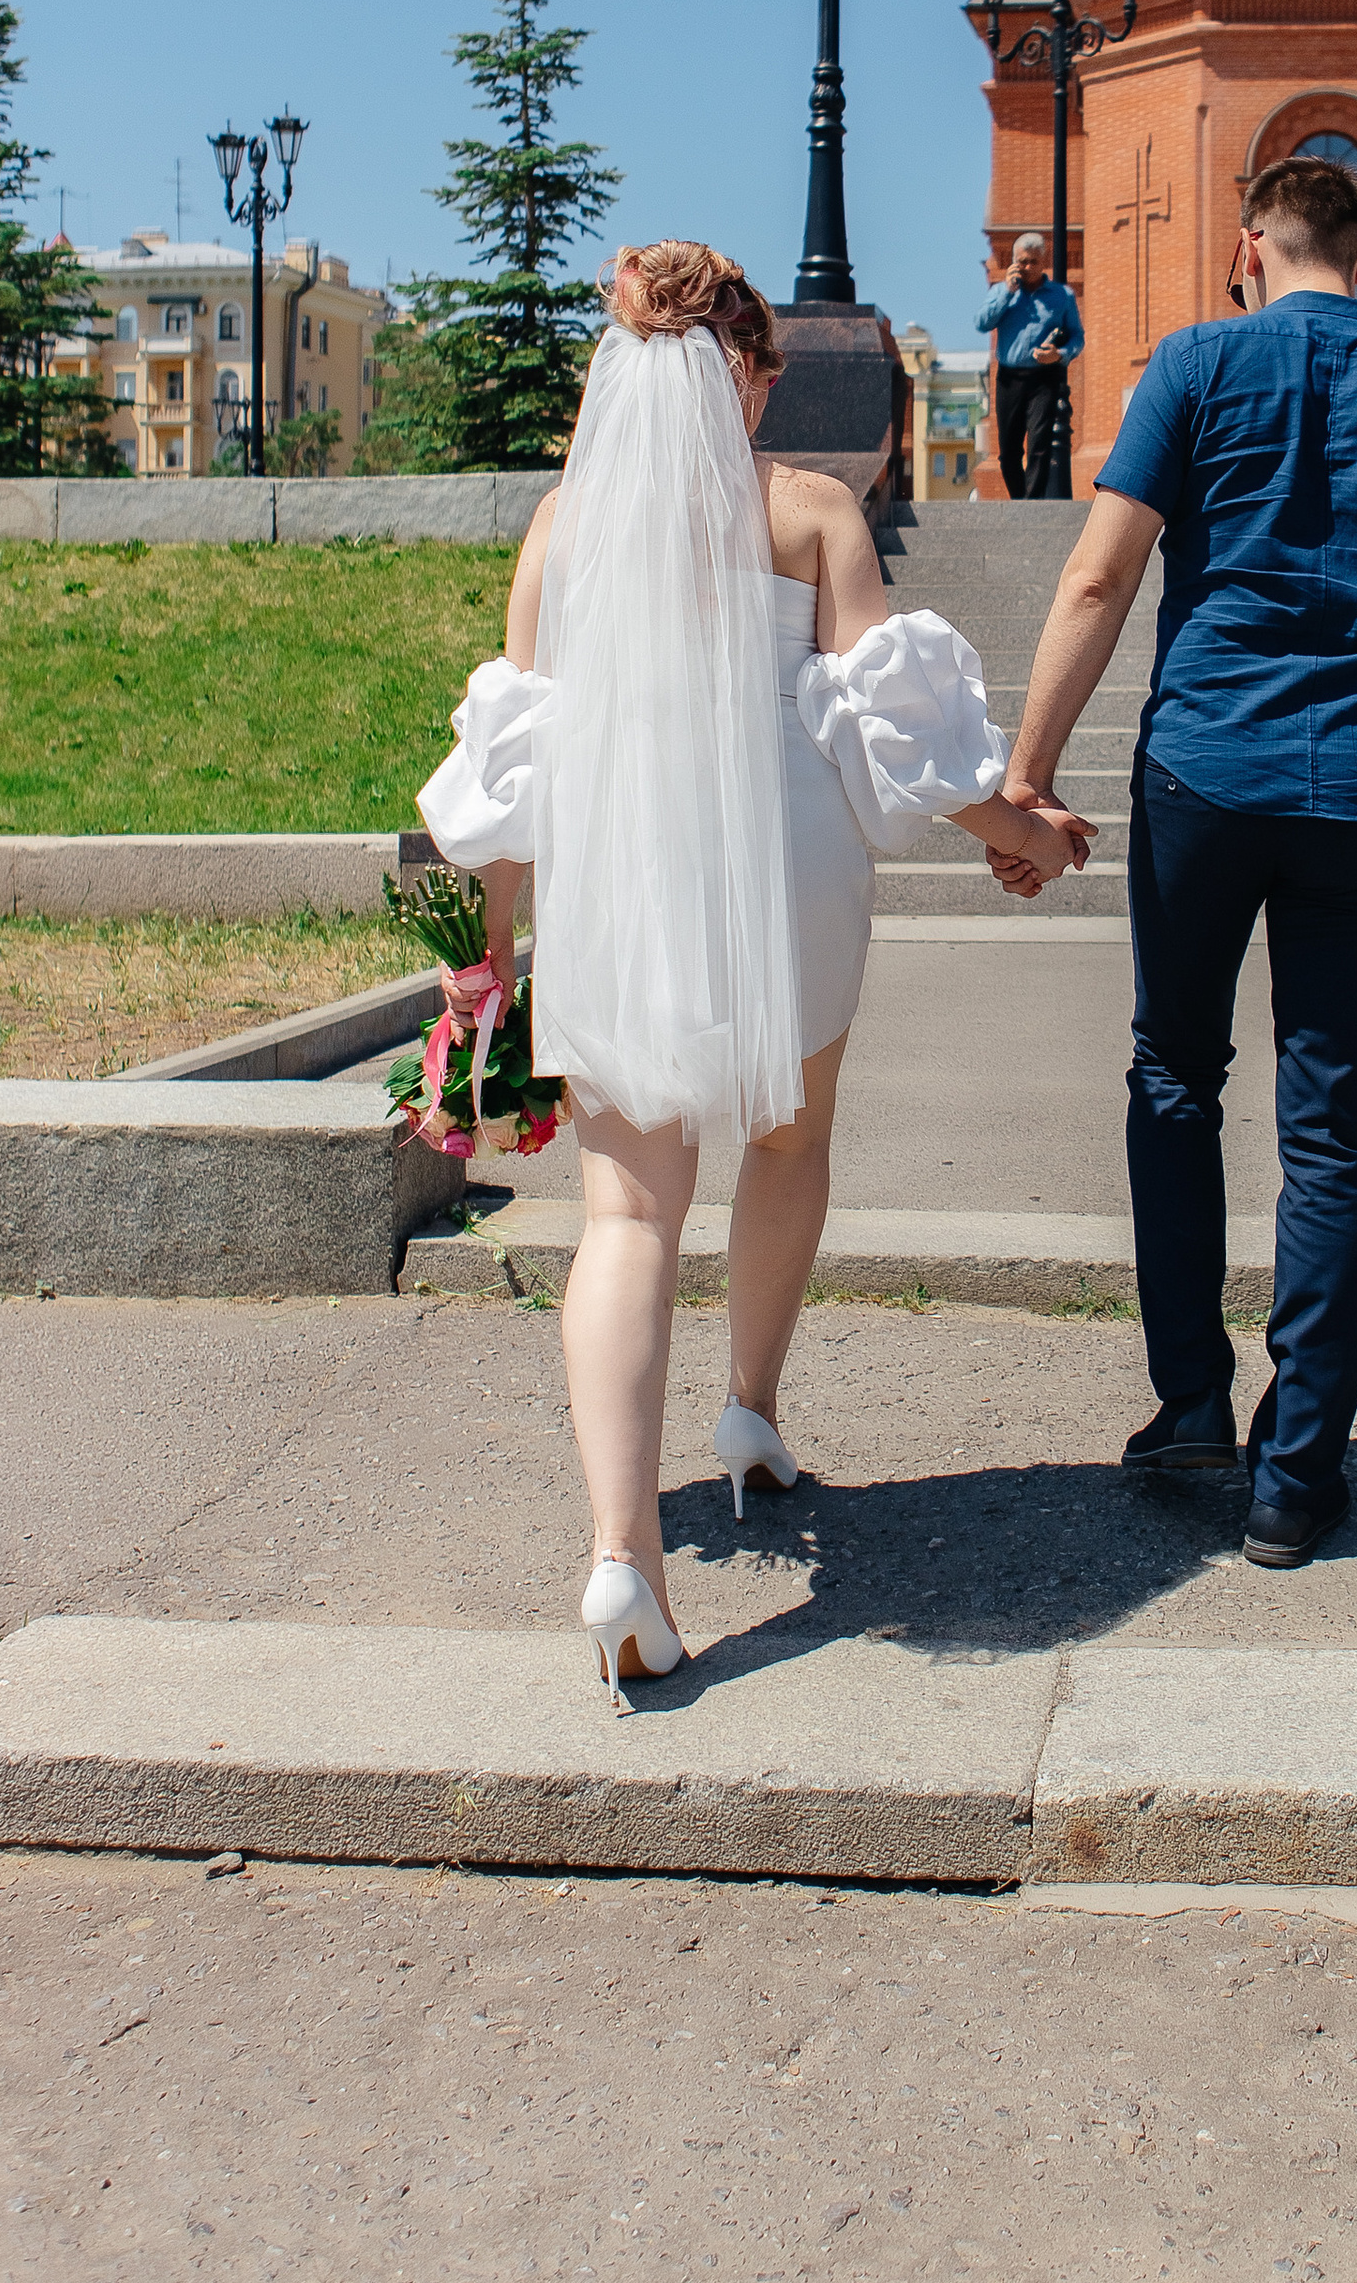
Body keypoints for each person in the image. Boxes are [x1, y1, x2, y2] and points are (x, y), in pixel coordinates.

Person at [417, 240, 1083, 1706]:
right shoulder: (806, 510)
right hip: (784, 863)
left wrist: (492, 959)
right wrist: (1019, 827)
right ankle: (751, 1412)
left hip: (616, 872)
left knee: (626, 1211)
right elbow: (881, 726)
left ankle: (620, 1555)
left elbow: (511, 775)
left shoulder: (560, 534)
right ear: (751, 375)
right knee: (789, 1135)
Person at [991, 153, 1357, 1566]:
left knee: (1175, 1075)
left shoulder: (1192, 367)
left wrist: (1026, 777)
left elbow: (1099, 578)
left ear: (1251, 248)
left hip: (1202, 771)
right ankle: (1297, 1476)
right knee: (1331, 1123)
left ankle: (1190, 1399)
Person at [977, 230, 1082, 500]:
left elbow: (1078, 337)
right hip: (1009, 378)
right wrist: (1007, 293)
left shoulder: (1062, 296)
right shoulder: (1001, 291)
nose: (1027, 268)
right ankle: (1019, 500)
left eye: (1033, 262)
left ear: (1043, 261)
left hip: (1043, 378)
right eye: (1022, 261)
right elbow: (982, 323)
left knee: (1039, 443)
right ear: (1014, 261)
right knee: (1008, 451)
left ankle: (1032, 502)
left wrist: (1059, 354)